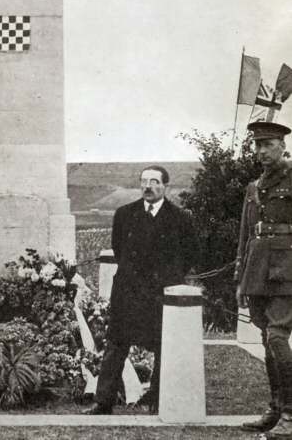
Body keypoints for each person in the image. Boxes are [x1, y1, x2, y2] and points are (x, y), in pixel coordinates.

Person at [83, 165, 199, 414]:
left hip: (160, 293)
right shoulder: (125, 214)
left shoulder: (179, 218)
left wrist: (166, 278)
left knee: (162, 345)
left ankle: (158, 399)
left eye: (154, 181)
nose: (148, 186)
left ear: (165, 186)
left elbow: (189, 253)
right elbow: (119, 248)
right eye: (144, 181)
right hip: (128, 290)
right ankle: (103, 402)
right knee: (116, 344)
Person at [235, 121, 292, 437]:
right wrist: (240, 280)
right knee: (265, 339)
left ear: (283, 145)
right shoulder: (253, 188)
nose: (261, 151)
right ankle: (275, 407)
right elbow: (245, 235)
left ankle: (291, 412)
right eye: (257, 145)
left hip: (287, 269)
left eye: (268, 144)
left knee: (276, 335)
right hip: (257, 270)